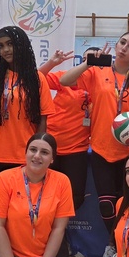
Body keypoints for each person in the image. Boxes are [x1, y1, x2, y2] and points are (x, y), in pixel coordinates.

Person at [59, 32, 129, 257]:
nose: (124, 48)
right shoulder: (97, 72)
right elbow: (65, 81)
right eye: (122, 42)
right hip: (102, 149)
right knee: (107, 204)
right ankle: (113, 245)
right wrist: (89, 62)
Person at [0, 26, 55, 187]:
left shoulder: (37, 78)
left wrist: (37, 151)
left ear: (21, 45)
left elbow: (42, 120)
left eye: (10, 44)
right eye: (1, 46)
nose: (5, 50)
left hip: (24, 155)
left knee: (22, 199)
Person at [38, 48, 88, 211]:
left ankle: (60, 225)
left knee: (75, 198)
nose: (88, 65)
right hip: (51, 146)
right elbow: (36, 79)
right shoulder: (65, 78)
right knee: (44, 194)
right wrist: (52, 63)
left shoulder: (102, 86)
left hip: (76, 149)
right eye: (85, 60)